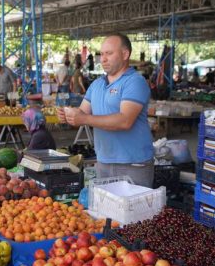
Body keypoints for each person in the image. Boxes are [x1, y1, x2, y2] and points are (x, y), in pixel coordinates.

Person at [58, 34, 154, 187]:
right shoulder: (96, 84)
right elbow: (82, 113)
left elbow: (125, 121)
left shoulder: (135, 81)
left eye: (109, 53)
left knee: (134, 210)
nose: (103, 59)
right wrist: (68, 116)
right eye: (101, 54)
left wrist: (84, 119)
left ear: (125, 54)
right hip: (103, 161)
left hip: (133, 164)